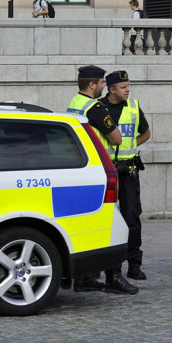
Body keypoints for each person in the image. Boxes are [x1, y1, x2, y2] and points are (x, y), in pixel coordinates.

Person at [67, 66, 138, 295]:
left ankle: (83, 277)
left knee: (86, 223)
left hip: (82, 171)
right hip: (102, 171)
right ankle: (113, 276)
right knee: (111, 223)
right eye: (100, 84)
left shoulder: (73, 103)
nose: (102, 87)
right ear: (92, 85)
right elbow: (116, 138)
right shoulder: (94, 107)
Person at [100, 71, 151, 284]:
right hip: (107, 171)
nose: (128, 90)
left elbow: (146, 133)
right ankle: (106, 266)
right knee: (107, 219)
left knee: (132, 217)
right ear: (111, 90)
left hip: (129, 170)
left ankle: (134, 265)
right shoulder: (99, 108)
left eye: (128, 86)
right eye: (123, 87)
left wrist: (128, 150)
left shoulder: (133, 106)